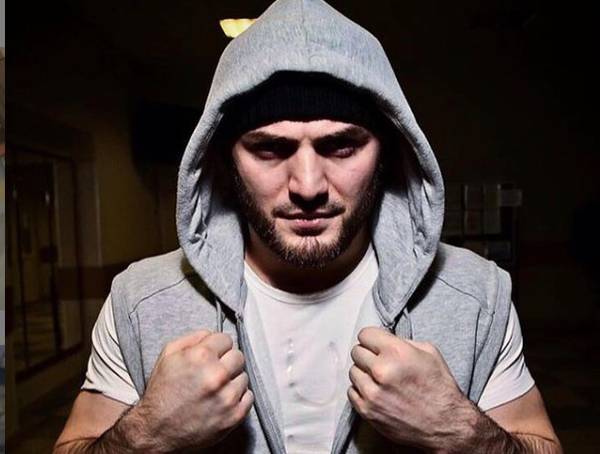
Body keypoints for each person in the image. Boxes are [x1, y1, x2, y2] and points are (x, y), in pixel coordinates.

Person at [55, 0, 561, 452]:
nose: (308, 184)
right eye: (270, 149)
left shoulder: (476, 295)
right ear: (223, 160)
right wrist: (149, 433)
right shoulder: (141, 300)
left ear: (389, 151)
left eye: (341, 146)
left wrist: (457, 430)